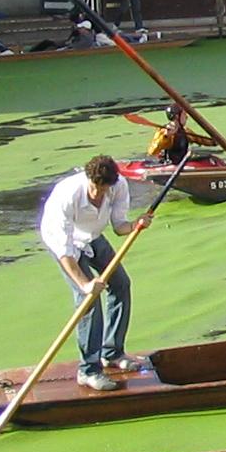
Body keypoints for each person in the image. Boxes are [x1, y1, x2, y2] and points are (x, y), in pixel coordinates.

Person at [39, 156, 139, 392]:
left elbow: (119, 227)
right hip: (67, 244)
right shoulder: (67, 196)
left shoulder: (118, 186)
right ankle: (88, 371)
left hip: (93, 236)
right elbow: (65, 252)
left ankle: (112, 352)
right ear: (89, 179)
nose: (98, 194)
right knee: (89, 300)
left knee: (121, 284)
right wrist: (85, 285)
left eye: (104, 189)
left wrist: (136, 225)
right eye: (95, 188)